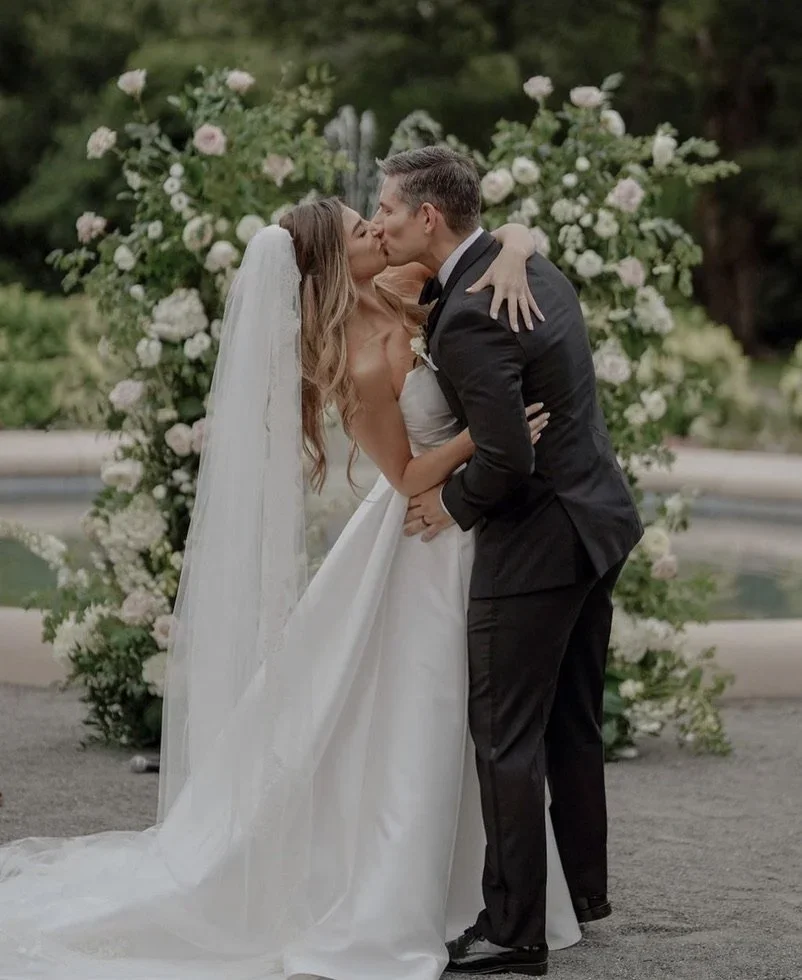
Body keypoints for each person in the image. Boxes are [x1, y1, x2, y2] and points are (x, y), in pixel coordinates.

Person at [0, 203, 581, 979]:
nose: (377, 229)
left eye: (372, 219)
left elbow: (493, 237)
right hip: (423, 531)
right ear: (332, 266)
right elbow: (406, 474)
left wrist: (513, 252)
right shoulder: (357, 360)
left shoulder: (408, 278)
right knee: (428, 706)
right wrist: (490, 434)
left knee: (463, 705)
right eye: (358, 230)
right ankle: (427, 892)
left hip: (472, 519)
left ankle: (501, 898)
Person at [371, 147, 644, 977]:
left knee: (505, 737)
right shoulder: (519, 263)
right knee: (570, 722)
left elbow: (506, 459)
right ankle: (580, 893)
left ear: (428, 216)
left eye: (386, 207)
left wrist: (447, 505)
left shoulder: (472, 311)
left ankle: (516, 930)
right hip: (597, 519)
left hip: (539, 544)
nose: (378, 220)